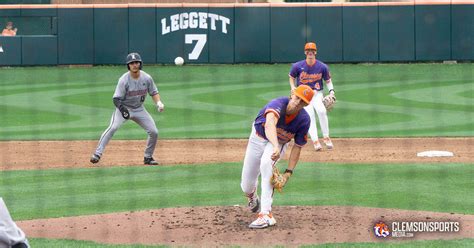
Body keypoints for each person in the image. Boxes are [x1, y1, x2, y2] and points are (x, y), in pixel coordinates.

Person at [240, 85, 314, 229]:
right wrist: (274, 145)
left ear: (306, 104)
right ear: (292, 94)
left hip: (279, 143)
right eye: (297, 98)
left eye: (303, 101)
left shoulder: (304, 120)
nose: (298, 102)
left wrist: (288, 173)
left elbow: (298, 147)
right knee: (246, 185)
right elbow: (269, 124)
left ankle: (266, 215)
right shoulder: (277, 104)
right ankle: (252, 197)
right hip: (258, 138)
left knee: (266, 163)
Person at [90, 52, 165, 165]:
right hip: (123, 108)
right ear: (128, 66)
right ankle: (97, 153)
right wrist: (123, 110)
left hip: (139, 109)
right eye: (132, 63)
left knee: (154, 132)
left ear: (140, 64)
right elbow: (116, 99)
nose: (134, 65)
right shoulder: (123, 80)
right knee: (113, 128)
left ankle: (148, 157)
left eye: (136, 62)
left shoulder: (147, 78)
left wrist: (158, 102)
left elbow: (154, 92)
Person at [289, 42, 335, 151]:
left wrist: (332, 91)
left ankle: (326, 137)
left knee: (322, 111)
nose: (310, 53)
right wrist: (292, 87)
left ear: (315, 52)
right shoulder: (297, 66)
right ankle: (315, 141)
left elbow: (328, 80)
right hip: (303, 96)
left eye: (312, 51)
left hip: (317, 94)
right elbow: (291, 77)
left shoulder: (322, 66)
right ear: (305, 52)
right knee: (310, 116)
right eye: (308, 51)